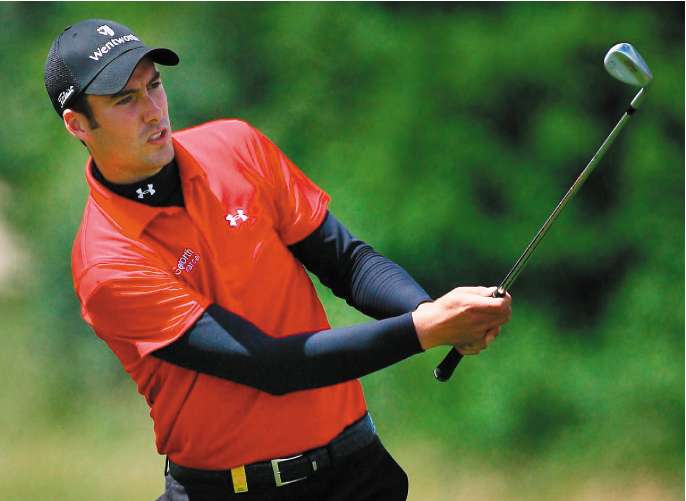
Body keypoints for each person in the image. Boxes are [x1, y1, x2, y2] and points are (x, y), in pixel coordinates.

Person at [45, 18, 512, 501]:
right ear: (78, 124)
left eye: (155, 85)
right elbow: (272, 367)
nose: (153, 111)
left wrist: (432, 311)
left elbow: (348, 263)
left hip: (355, 471)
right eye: (125, 99)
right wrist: (426, 329)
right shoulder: (108, 263)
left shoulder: (235, 146)